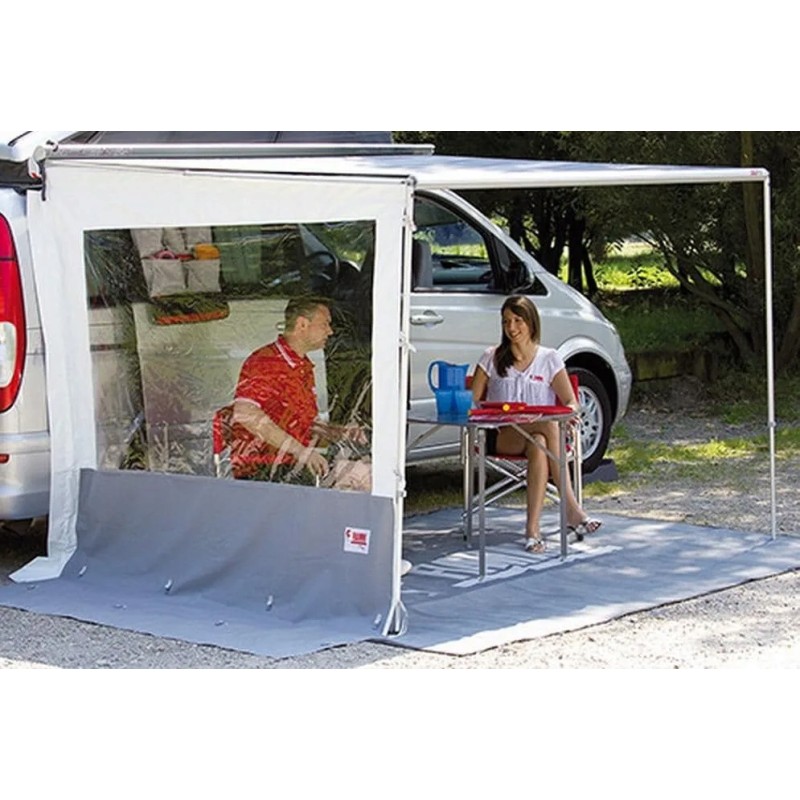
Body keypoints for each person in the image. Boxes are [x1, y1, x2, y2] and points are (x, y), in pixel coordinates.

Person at [470, 295, 602, 553]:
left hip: (538, 439)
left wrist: (571, 413)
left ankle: (532, 531)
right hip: (502, 436)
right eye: (507, 321)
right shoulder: (491, 357)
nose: (512, 327)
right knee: (548, 428)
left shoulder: (549, 358)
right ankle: (572, 509)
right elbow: (472, 402)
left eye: (518, 320)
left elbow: (570, 402)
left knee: (541, 443)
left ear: (531, 322)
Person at [230, 297, 368, 485]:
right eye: (325, 324)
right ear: (302, 324)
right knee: (366, 477)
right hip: (265, 468)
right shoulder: (266, 362)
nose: (331, 331)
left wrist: (338, 432)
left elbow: (304, 425)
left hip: (293, 463)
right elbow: (245, 413)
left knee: (366, 471)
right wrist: (300, 451)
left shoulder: (300, 365)